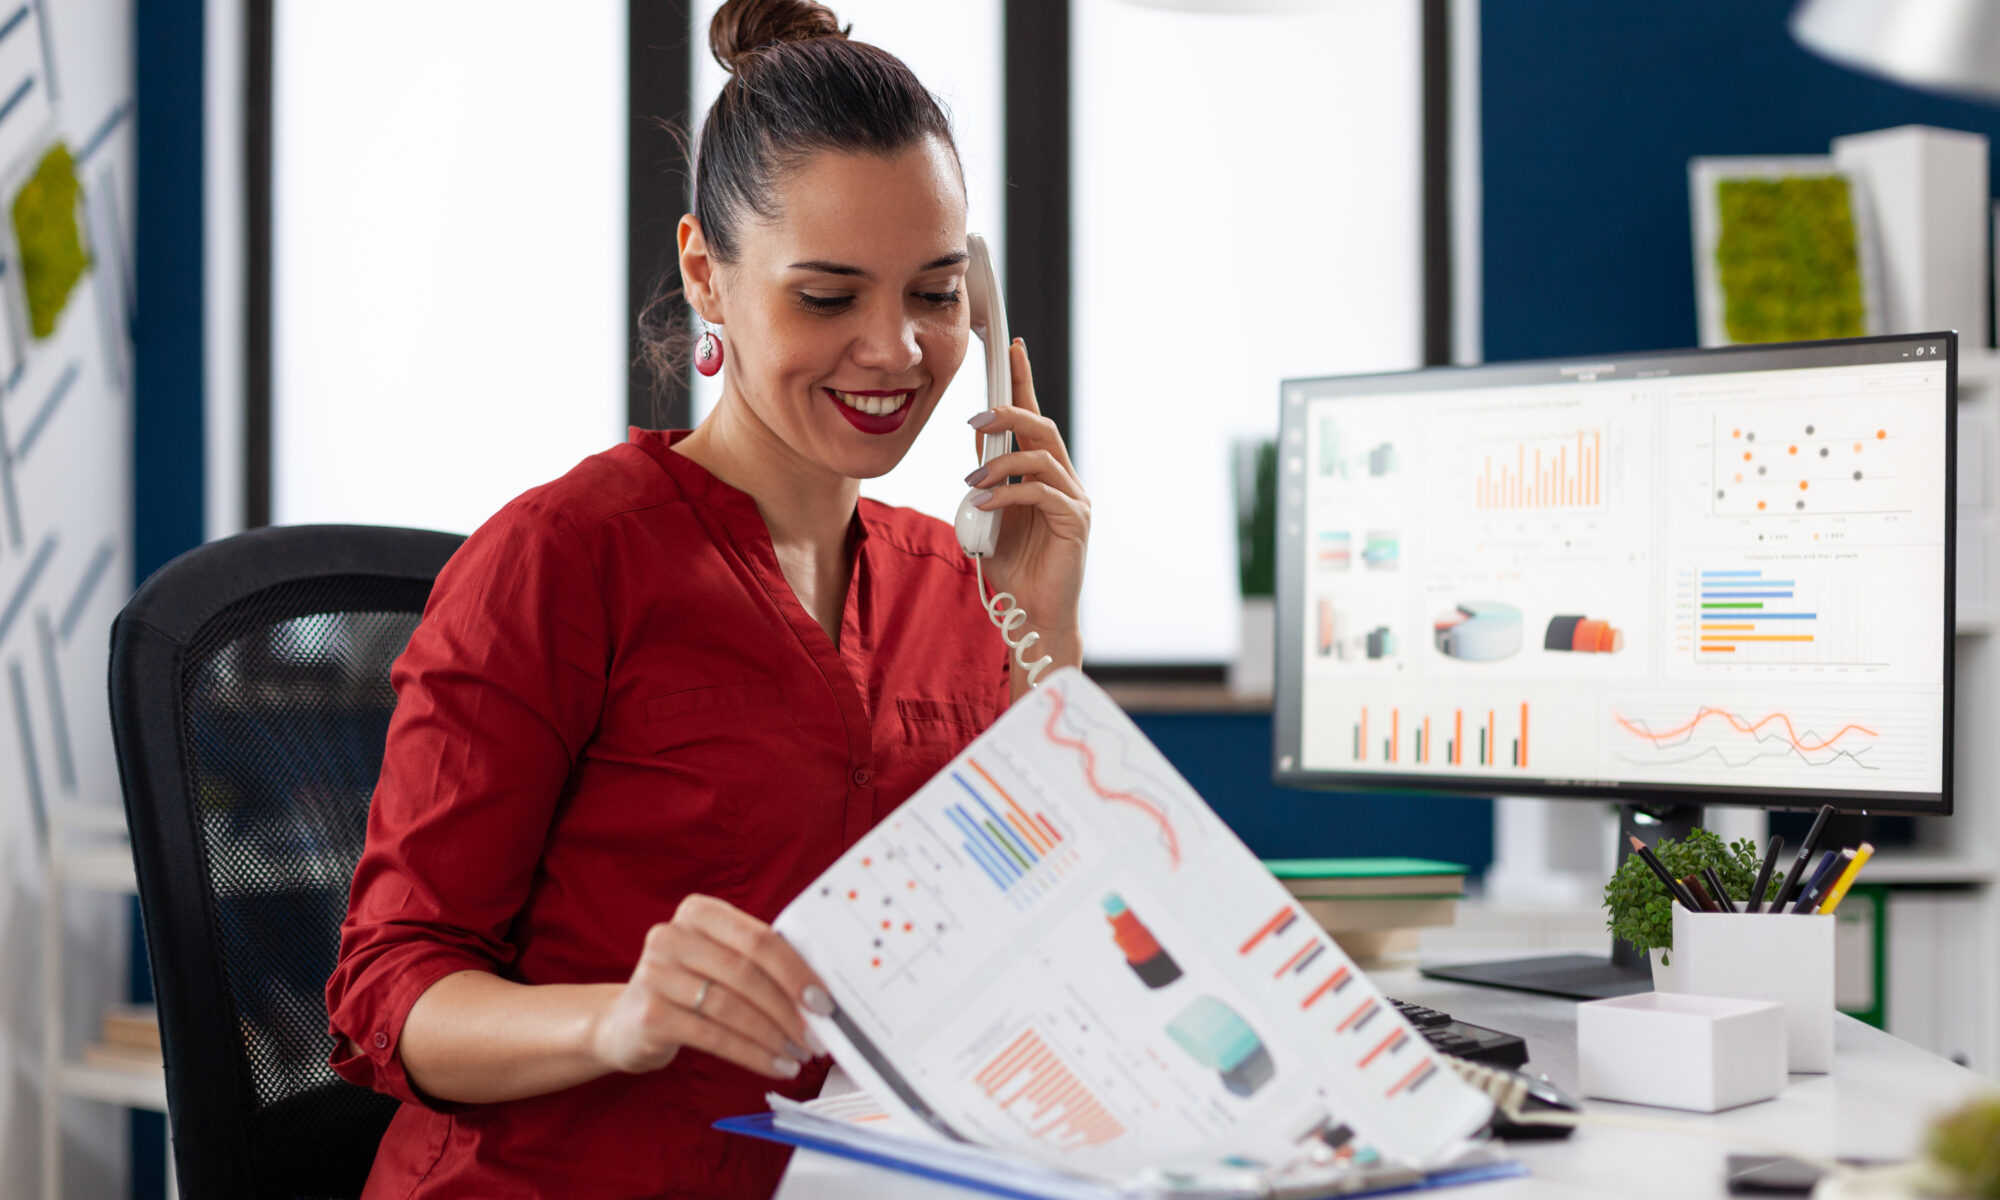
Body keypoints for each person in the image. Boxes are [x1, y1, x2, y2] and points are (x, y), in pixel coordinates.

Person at [323, 1, 1090, 1195]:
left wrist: (1045, 637)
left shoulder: (964, 585)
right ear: (707, 276)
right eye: (829, 297)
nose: (895, 350)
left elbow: (1042, 949)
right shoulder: (561, 560)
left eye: (936, 295)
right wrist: (616, 1018)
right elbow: (391, 985)